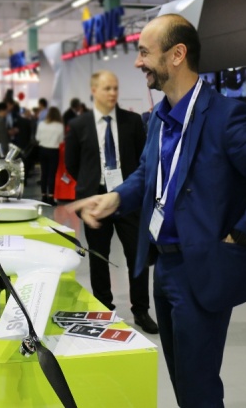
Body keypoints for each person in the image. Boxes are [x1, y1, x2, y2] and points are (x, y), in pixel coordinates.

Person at [68, 14, 246, 407]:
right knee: (183, 383)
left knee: (199, 390)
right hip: (164, 266)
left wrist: (241, 234)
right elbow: (149, 174)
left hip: (203, 269)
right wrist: (117, 198)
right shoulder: (160, 118)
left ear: (176, 55)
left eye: (144, 52)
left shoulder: (227, 117)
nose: (137, 61)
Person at [65, 71, 157, 334]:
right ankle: (104, 307)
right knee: (99, 257)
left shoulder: (132, 121)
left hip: (127, 199)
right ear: (94, 90)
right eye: (107, 88)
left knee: (136, 256)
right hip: (95, 201)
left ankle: (141, 310)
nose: (113, 93)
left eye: (115, 88)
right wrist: (91, 186)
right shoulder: (79, 125)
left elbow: (143, 160)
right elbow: (73, 164)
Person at [35, 106, 64, 205]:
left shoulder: (41, 124)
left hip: (42, 149)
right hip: (53, 151)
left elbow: (37, 137)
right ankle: (51, 197)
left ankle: (43, 196)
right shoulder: (60, 126)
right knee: (52, 174)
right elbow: (61, 140)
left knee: (44, 173)